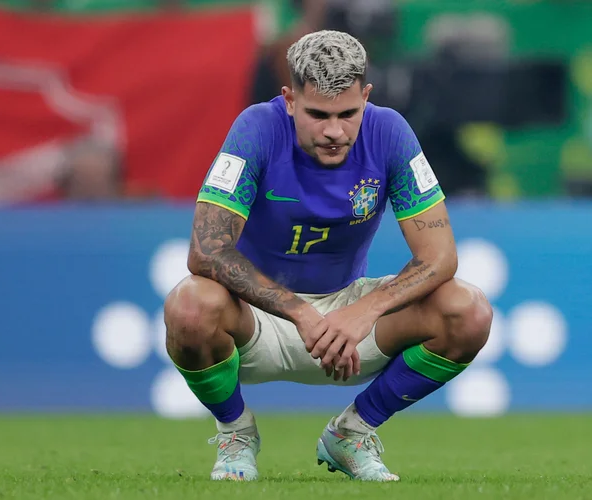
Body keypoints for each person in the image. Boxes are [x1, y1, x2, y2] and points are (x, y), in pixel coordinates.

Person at [163, 30, 492, 482]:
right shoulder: (256, 128)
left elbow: (440, 257)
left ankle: (352, 434)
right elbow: (206, 251)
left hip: (349, 317)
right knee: (189, 304)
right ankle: (236, 432)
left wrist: (365, 310)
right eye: (318, 114)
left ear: (366, 96)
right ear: (290, 99)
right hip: (258, 316)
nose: (334, 131)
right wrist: (299, 312)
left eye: (348, 113)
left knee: (468, 310)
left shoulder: (390, 131)